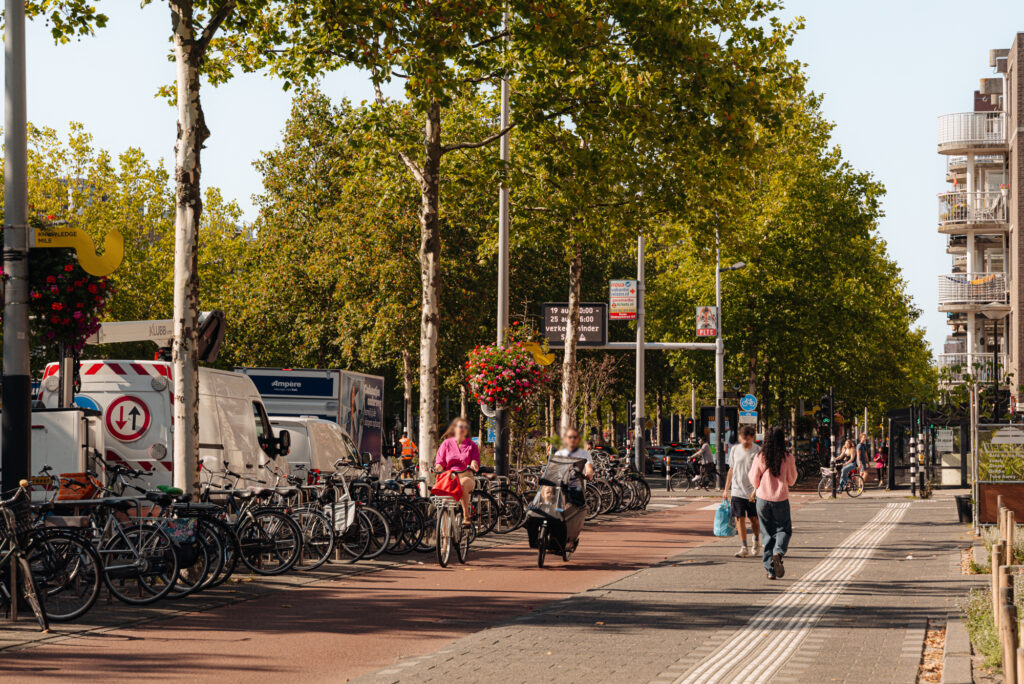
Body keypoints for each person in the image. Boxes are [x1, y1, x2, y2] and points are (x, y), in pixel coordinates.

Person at [749, 426, 797, 580]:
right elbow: (792, 480)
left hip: (762, 499)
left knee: (767, 533)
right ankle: (778, 552)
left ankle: (770, 570)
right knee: (784, 529)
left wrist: (757, 487)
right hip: (780, 499)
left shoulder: (760, 456)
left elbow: (753, 477)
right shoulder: (787, 457)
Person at [723, 425, 761, 558]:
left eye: (748, 439)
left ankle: (756, 539)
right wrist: (726, 489)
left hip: (752, 491)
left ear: (752, 438)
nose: (746, 441)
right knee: (739, 519)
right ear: (740, 437)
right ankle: (744, 547)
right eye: (743, 438)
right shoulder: (734, 450)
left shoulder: (758, 451)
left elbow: (761, 473)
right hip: (737, 491)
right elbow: (731, 469)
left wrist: (757, 489)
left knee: (754, 519)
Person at [434, 417, 480, 525]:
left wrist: (474, 463)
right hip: (449, 478)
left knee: (462, 484)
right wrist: (438, 467)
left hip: (466, 475)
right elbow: (440, 461)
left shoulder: (472, 445)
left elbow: (475, 459)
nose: (463, 429)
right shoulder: (446, 443)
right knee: (444, 504)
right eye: (460, 426)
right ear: (454, 428)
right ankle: (444, 538)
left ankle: (466, 515)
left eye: (465, 427)